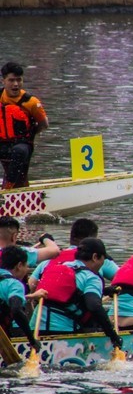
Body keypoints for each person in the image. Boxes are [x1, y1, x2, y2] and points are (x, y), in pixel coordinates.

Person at [34, 238, 123, 353]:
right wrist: (113, 336)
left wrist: (104, 291)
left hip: (35, 329)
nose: (102, 263)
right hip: (62, 332)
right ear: (95, 257)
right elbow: (94, 306)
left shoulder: (61, 267)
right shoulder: (91, 277)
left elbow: (68, 294)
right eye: (103, 259)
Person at [0, 62, 49, 190]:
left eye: (19, 80)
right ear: (3, 81)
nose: (15, 84)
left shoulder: (32, 102)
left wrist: (30, 135)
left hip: (23, 145)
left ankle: (7, 189)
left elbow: (44, 124)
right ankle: (17, 187)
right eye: (11, 80)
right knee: (20, 181)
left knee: (19, 152)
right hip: (2, 143)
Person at [30, 218, 118, 287]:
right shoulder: (98, 259)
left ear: (71, 236)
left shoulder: (48, 259)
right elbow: (123, 278)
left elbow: (32, 283)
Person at [0, 244, 46, 353]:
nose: (27, 270)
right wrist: (31, 340)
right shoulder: (14, 284)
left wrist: (31, 296)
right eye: (26, 266)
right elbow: (16, 310)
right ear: (19, 265)